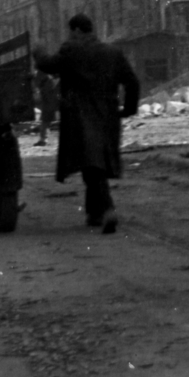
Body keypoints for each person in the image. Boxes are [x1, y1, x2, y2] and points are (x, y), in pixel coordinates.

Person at [35, 14, 139, 234]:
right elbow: (132, 82)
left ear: (77, 31)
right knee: (96, 161)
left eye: (71, 32)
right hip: (109, 115)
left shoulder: (71, 50)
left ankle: (108, 209)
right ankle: (94, 214)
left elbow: (48, 65)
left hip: (81, 114)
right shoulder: (113, 52)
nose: (70, 36)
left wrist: (38, 51)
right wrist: (128, 109)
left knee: (92, 164)